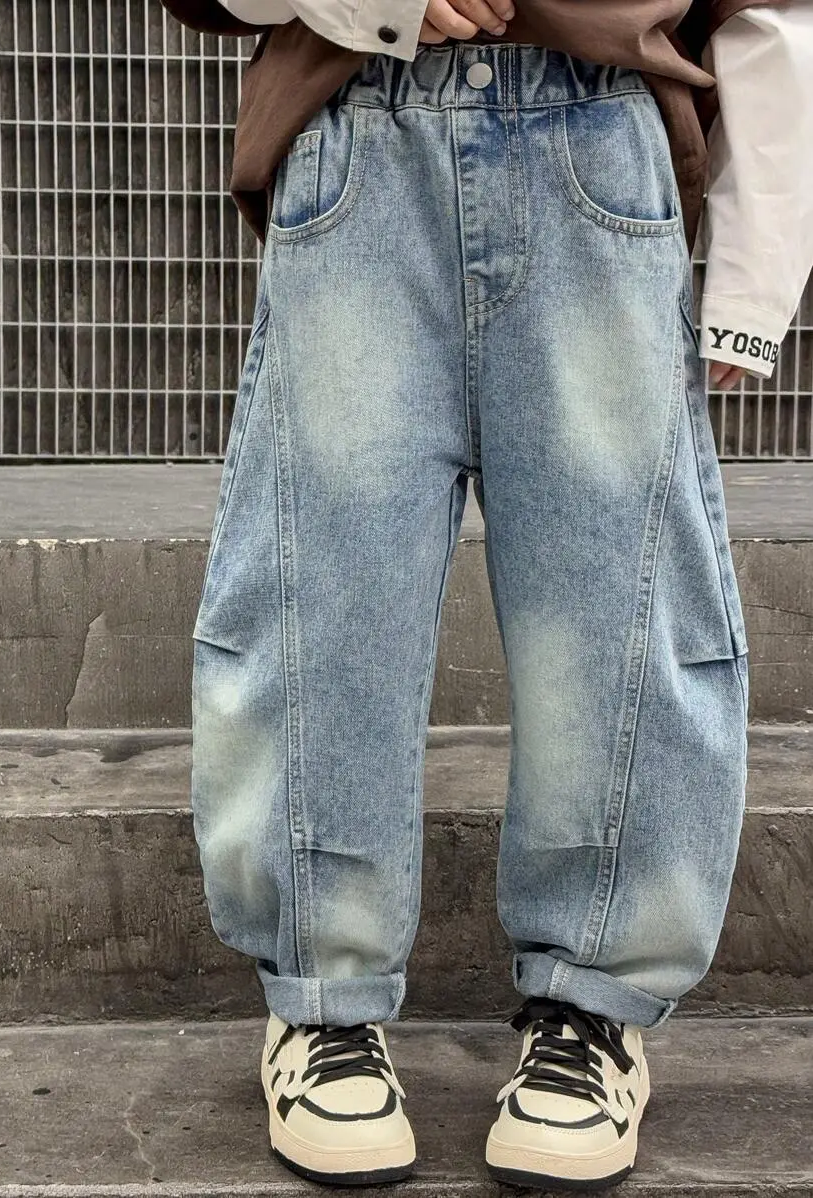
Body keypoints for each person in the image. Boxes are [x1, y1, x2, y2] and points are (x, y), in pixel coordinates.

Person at [171, 0, 813, 1189]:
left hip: (601, 146)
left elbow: (768, 9)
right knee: (326, 590)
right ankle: (320, 1001)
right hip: (359, 128)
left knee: (618, 602)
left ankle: (593, 1010)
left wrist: (758, 270)